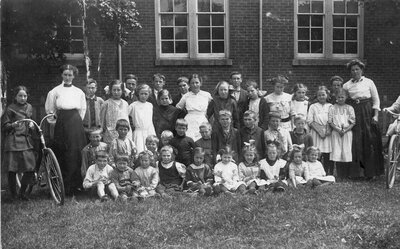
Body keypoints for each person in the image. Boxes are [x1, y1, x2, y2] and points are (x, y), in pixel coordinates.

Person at [45, 64, 86, 196]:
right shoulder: (54, 91)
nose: (68, 77)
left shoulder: (79, 92)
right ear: (61, 75)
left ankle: (77, 185)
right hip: (62, 122)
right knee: (63, 151)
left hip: (75, 122)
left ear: (74, 76)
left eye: (70, 75)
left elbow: (82, 110)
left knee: (76, 151)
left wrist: (75, 122)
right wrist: (57, 122)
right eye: (65, 74)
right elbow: (50, 111)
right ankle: (64, 186)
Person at [343, 59, 384, 179]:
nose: (355, 72)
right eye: (353, 70)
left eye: (357, 69)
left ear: (361, 70)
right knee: (355, 141)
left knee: (369, 141)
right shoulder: (347, 85)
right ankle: (356, 173)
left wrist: (375, 115)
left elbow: (376, 100)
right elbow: (344, 101)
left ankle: (371, 173)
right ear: (350, 72)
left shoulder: (369, 82)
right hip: (354, 113)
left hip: (367, 112)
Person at [2, 86, 37, 200]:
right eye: (20, 96)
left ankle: (22, 192)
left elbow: (31, 121)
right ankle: (13, 195)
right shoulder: (10, 109)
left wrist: (31, 126)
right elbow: (4, 126)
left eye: (25, 96)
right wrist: (13, 125)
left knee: (30, 167)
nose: (23, 98)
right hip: (13, 141)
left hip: (26, 141)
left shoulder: (29, 107)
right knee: (12, 169)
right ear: (15, 97)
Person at [328, 88, 355, 179]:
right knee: (337, 151)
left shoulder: (349, 108)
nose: (340, 99)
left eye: (342, 97)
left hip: (347, 133)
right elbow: (330, 121)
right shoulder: (332, 108)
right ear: (336, 97)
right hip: (336, 132)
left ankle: (346, 174)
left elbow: (353, 122)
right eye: (339, 97)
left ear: (346, 97)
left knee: (346, 151)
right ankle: (339, 174)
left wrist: (345, 130)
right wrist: (338, 130)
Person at [307, 86, 334, 175]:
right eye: (319, 95)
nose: (321, 97)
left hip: (327, 133)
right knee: (316, 153)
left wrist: (327, 130)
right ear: (317, 96)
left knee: (327, 154)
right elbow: (310, 120)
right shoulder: (313, 106)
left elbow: (332, 119)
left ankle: (328, 173)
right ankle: (315, 173)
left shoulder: (331, 106)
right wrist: (319, 131)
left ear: (327, 95)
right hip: (316, 133)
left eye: (323, 94)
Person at [176, 74, 212, 141]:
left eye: (197, 82)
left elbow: (212, 106)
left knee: (202, 137)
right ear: (189, 85)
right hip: (190, 120)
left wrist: (207, 115)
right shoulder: (186, 96)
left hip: (202, 119)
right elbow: (178, 107)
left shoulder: (206, 95)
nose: (195, 85)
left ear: (200, 83)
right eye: (192, 83)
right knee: (190, 138)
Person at [100, 79, 130, 145]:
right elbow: (102, 122)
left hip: (124, 134)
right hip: (110, 135)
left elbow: (127, 119)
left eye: (118, 90)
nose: (116, 92)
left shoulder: (125, 103)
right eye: (114, 90)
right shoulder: (106, 104)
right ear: (110, 91)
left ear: (122, 91)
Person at [129, 84, 156, 153]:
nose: (143, 96)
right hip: (139, 132)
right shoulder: (133, 105)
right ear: (138, 94)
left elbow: (150, 121)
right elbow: (125, 115)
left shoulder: (150, 105)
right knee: (139, 151)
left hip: (149, 131)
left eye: (146, 94)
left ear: (149, 94)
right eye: (141, 94)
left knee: (151, 151)